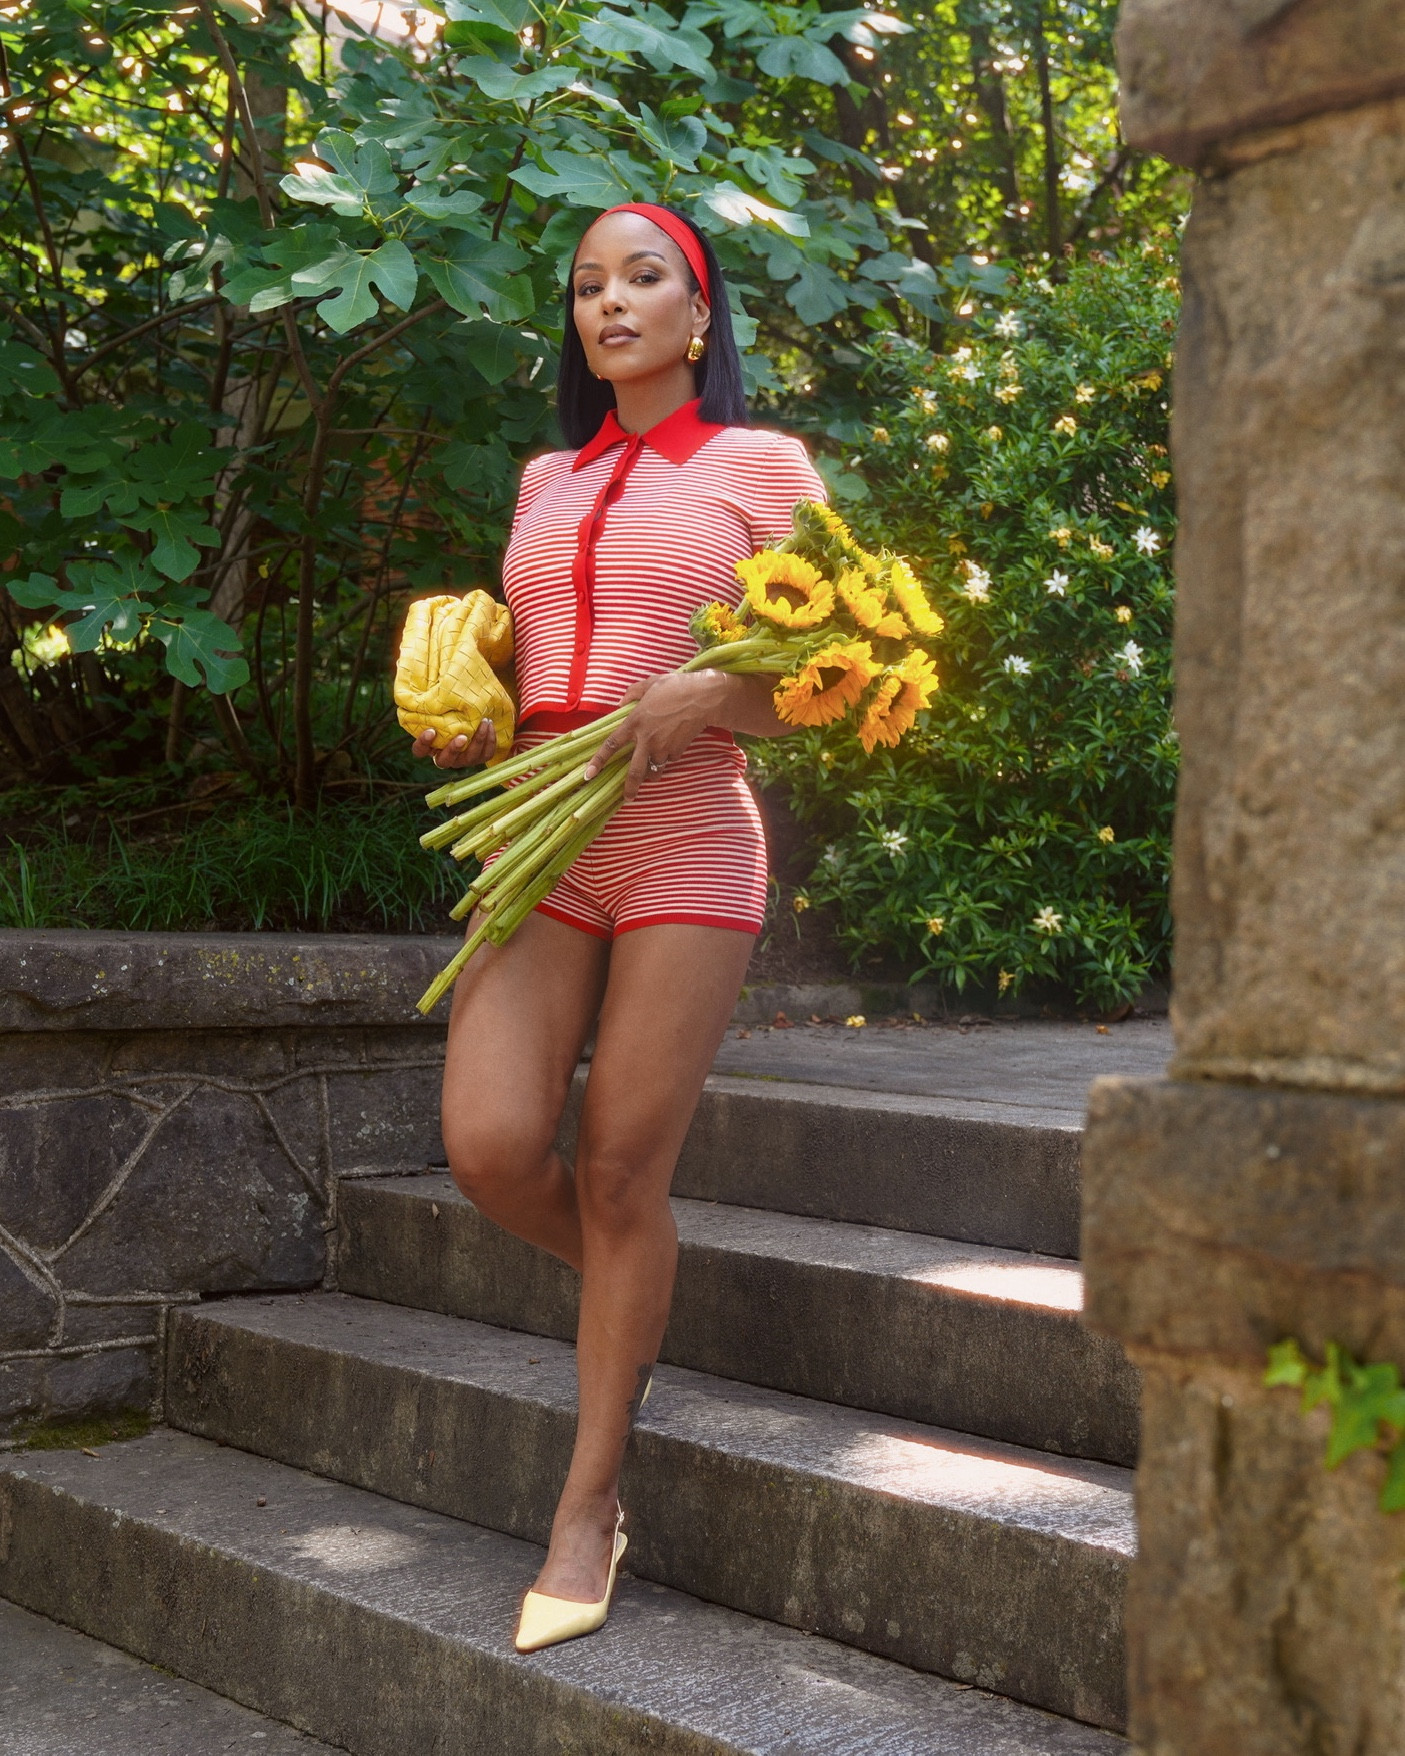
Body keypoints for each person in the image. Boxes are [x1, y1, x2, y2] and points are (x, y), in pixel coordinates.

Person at [409, 202, 826, 1652]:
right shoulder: (542, 476)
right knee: (488, 1147)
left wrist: (719, 694)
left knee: (618, 1176)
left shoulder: (759, 467)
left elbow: (842, 676)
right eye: (587, 284)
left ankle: (588, 1508)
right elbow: (536, 655)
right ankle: (633, 1293)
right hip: (542, 829)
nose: (609, 303)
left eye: (641, 277)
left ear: (698, 314)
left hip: (686, 832)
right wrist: (466, 699)